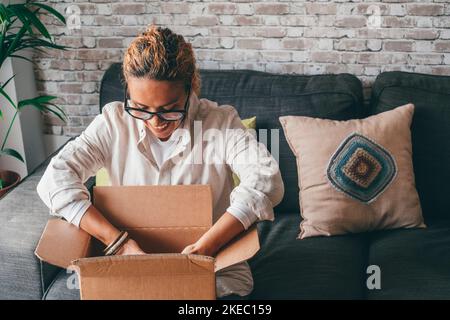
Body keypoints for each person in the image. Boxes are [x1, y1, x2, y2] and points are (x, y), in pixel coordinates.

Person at [37, 25, 284, 299]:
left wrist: (203, 249)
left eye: (169, 110)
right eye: (141, 108)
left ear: (190, 89)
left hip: (214, 265)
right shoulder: (112, 124)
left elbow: (266, 178)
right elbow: (55, 179)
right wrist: (118, 242)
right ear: (128, 94)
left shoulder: (220, 123)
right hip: (130, 264)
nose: (155, 122)